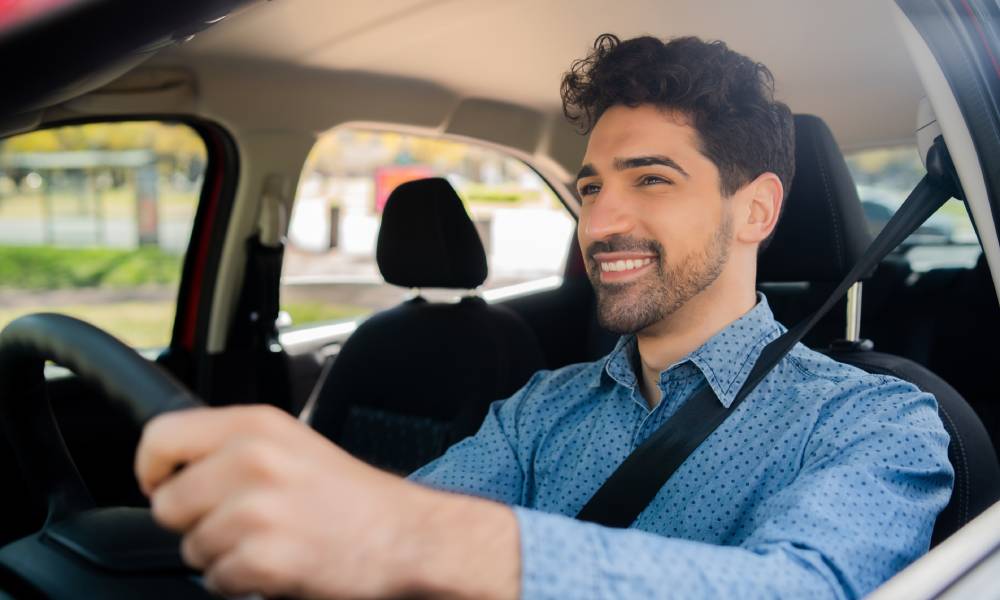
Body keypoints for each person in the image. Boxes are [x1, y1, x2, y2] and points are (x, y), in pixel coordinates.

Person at [135, 34, 953, 599]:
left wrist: (421, 540)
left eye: (652, 179)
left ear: (757, 211)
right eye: (593, 186)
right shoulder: (540, 409)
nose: (597, 223)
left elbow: (808, 589)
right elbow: (396, 521)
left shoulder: (874, 422)